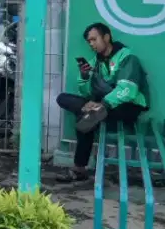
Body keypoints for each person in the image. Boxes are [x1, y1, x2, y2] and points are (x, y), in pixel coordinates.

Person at [55, 22, 148, 183]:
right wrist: (84, 77)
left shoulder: (128, 58)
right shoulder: (95, 62)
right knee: (63, 98)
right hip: (102, 105)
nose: (91, 44)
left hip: (128, 106)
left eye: (94, 39)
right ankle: (89, 110)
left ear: (106, 37)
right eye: (89, 41)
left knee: (86, 119)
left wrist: (102, 104)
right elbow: (86, 93)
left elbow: (128, 90)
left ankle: (79, 168)